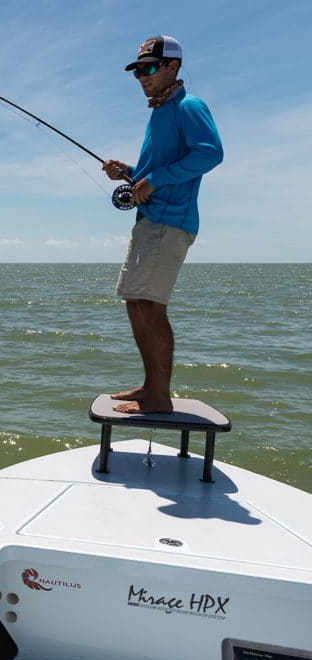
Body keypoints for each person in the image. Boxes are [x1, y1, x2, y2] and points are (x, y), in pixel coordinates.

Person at [102, 36, 223, 414]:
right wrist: (131, 173)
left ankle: (159, 397)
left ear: (173, 67)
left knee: (151, 307)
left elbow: (211, 153)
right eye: (138, 70)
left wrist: (153, 180)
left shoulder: (189, 106)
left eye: (150, 68)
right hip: (150, 220)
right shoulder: (158, 113)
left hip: (170, 223)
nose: (142, 76)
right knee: (135, 303)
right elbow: (155, 173)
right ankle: (150, 386)